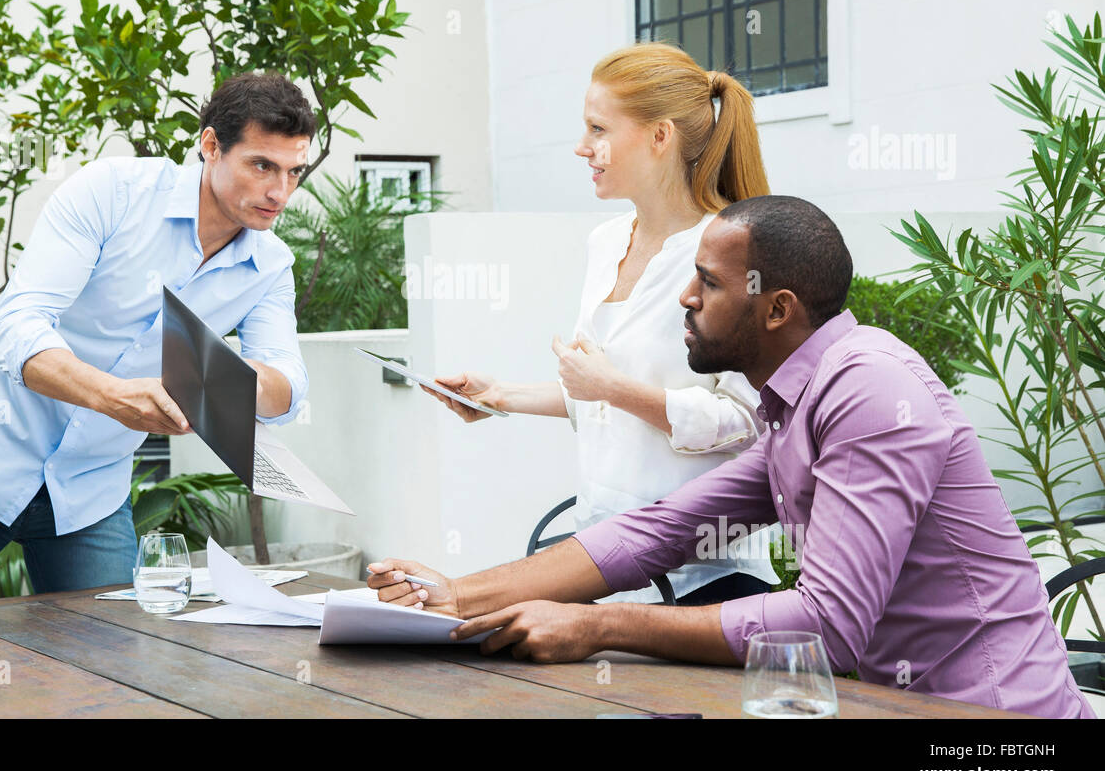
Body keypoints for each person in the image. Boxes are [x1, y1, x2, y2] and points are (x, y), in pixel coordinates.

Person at [370, 195, 1095, 718]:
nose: (686, 296)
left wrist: (599, 623)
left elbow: (828, 623)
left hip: (996, 731)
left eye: (709, 283)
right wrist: (458, 595)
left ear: (776, 308)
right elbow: (657, 529)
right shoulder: (797, 401)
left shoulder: (869, 391)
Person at [0, 72, 313, 613]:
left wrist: (220, 382)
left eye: (293, 171)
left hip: (88, 494)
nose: (279, 192)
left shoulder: (270, 265)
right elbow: (17, 324)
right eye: (262, 165)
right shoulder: (111, 193)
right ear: (211, 145)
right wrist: (110, 397)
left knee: (110, 672)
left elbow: (286, 386)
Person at [425, 43, 776, 605]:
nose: (582, 147)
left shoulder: (734, 251)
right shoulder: (607, 241)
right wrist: (503, 395)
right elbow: (600, 398)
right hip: (600, 561)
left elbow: (747, 423)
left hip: (702, 577)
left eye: (598, 129)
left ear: (660, 137)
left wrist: (613, 388)